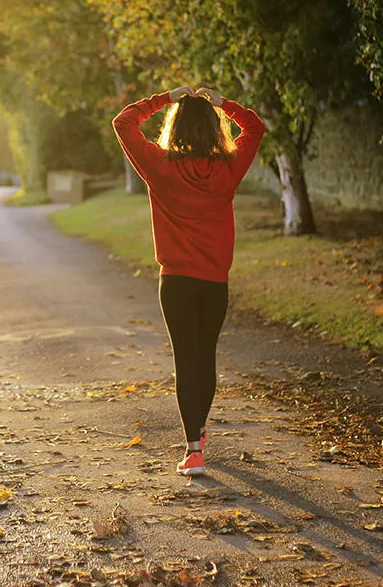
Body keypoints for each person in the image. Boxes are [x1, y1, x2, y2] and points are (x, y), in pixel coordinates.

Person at [112, 85, 265, 476]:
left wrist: (164, 98)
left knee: (186, 360)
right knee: (205, 356)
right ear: (215, 129)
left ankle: (193, 448)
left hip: (176, 282)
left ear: (174, 128)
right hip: (214, 282)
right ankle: (197, 430)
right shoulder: (229, 168)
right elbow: (255, 127)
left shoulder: (159, 166)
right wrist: (223, 104)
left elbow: (124, 122)